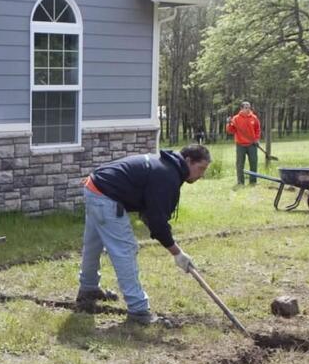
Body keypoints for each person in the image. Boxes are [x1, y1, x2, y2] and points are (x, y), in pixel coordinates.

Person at [76, 144, 212, 324]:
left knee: (93, 244)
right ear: (188, 161)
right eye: (200, 168)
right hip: (105, 194)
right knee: (126, 249)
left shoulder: (166, 166)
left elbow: (150, 214)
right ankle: (138, 310)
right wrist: (177, 253)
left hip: (95, 186)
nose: (201, 175)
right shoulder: (167, 175)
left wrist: (171, 245)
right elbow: (157, 222)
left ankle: (88, 288)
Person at [226, 101, 262, 185]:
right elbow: (230, 131)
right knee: (240, 164)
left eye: (249, 107)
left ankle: (253, 181)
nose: (248, 109)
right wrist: (228, 123)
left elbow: (258, 129)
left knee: (253, 162)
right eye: (246, 107)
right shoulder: (235, 119)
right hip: (240, 145)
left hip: (252, 144)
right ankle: (240, 182)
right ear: (241, 109)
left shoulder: (254, 118)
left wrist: (257, 139)